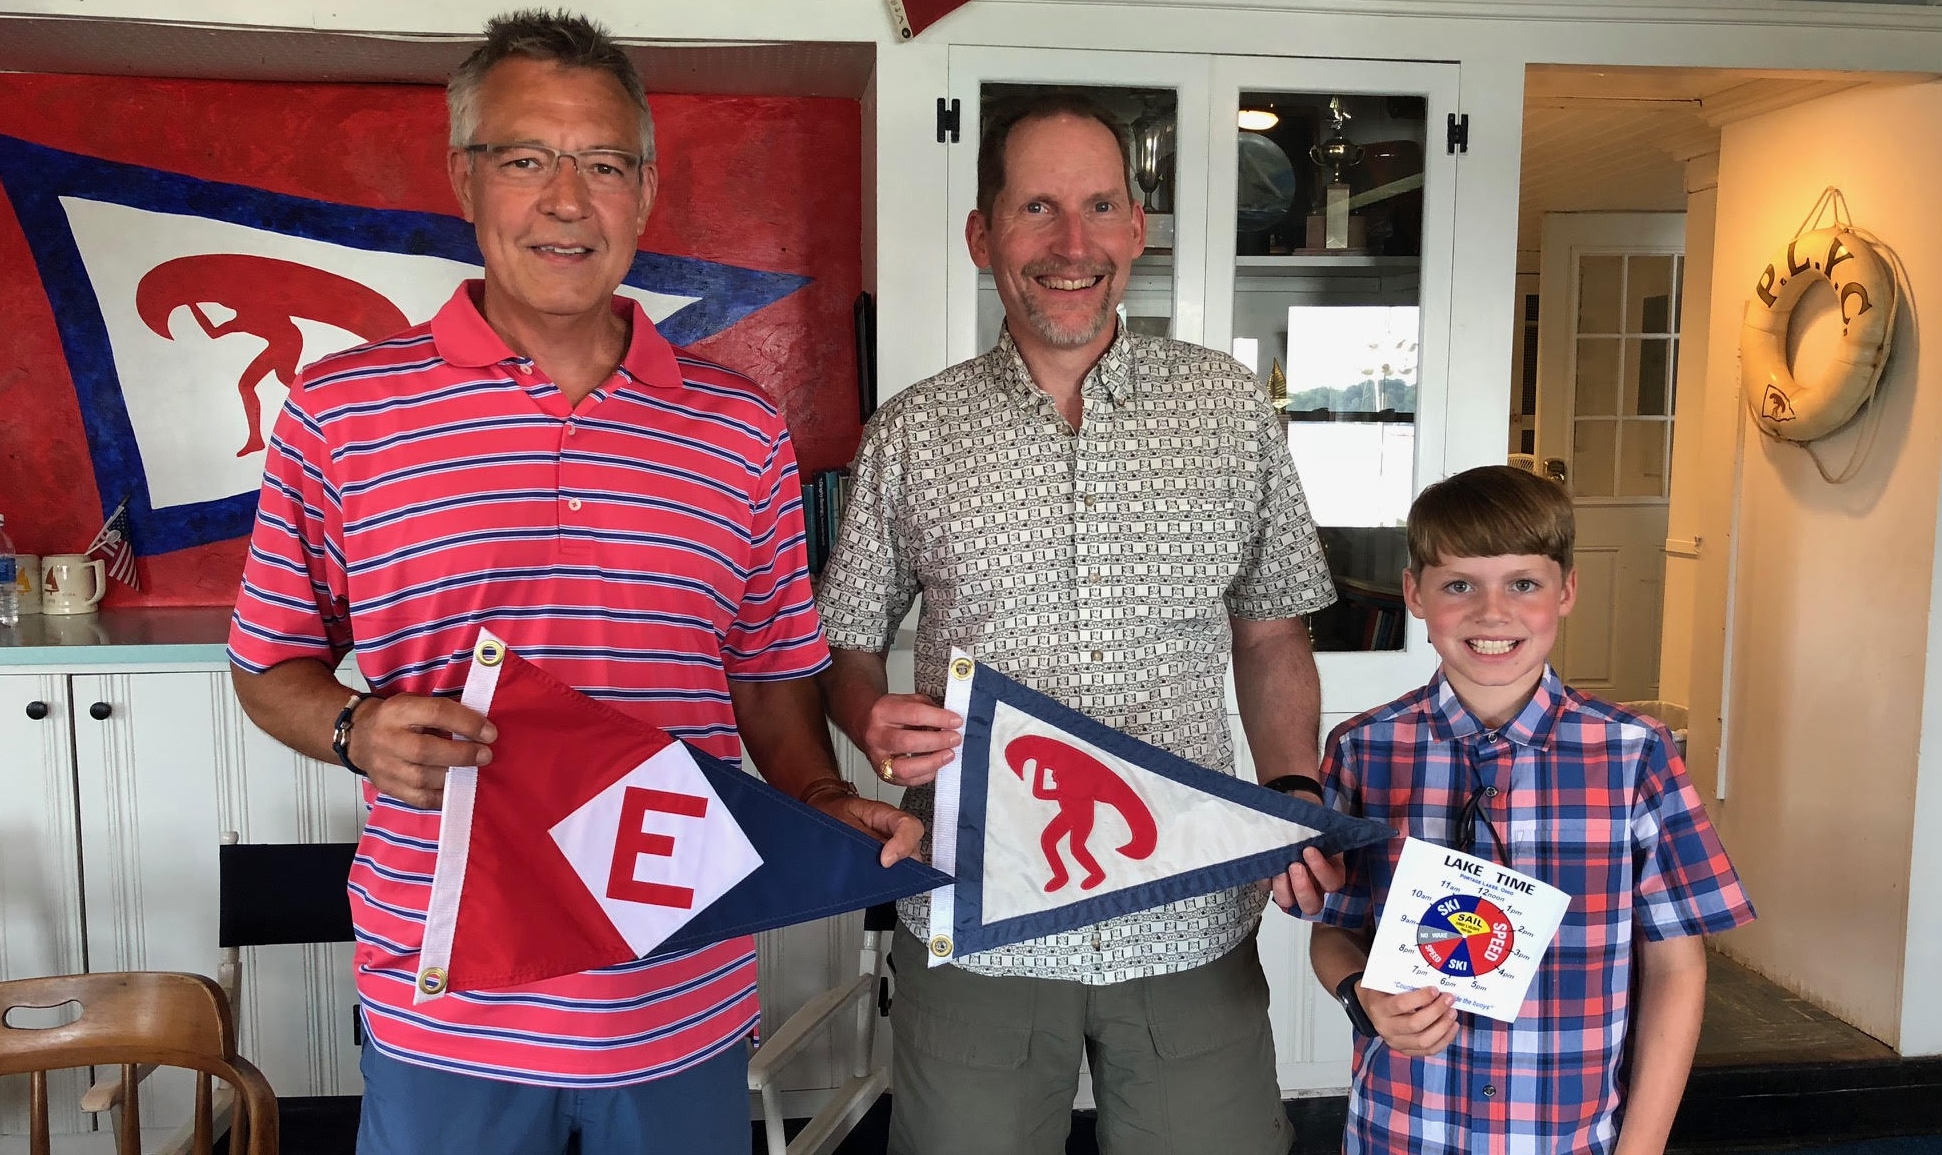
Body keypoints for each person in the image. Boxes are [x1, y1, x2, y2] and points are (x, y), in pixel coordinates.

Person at [225, 11, 919, 1154]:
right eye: (525, 158)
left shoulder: (737, 429)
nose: (565, 199)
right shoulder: (342, 413)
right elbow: (267, 666)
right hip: (444, 991)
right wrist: (356, 731)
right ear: (465, 177)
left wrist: (813, 797)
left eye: (602, 164)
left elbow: (769, 670)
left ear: (644, 191)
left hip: (675, 984)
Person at [815, 90, 1343, 1155]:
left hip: (1186, 910)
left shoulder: (1227, 407)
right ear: (983, 234)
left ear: (1136, 229)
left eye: (1100, 207)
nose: (1071, 244)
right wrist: (869, 714)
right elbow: (844, 639)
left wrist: (1292, 785)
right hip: (976, 916)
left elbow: (1273, 631)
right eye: (1036, 209)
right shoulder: (913, 430)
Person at [1308, 465, 1756, 1155]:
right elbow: (1333, 932)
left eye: (1523, 583)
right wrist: (1358, 995)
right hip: (1402, 1131)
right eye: (1460, 584)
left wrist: (1639, 1147)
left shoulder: (1636, 755)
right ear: (1414, 593)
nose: (1493, 612)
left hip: (1566, 1136)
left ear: (1566, 590)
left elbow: (1676, 965)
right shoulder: (1362, 750)